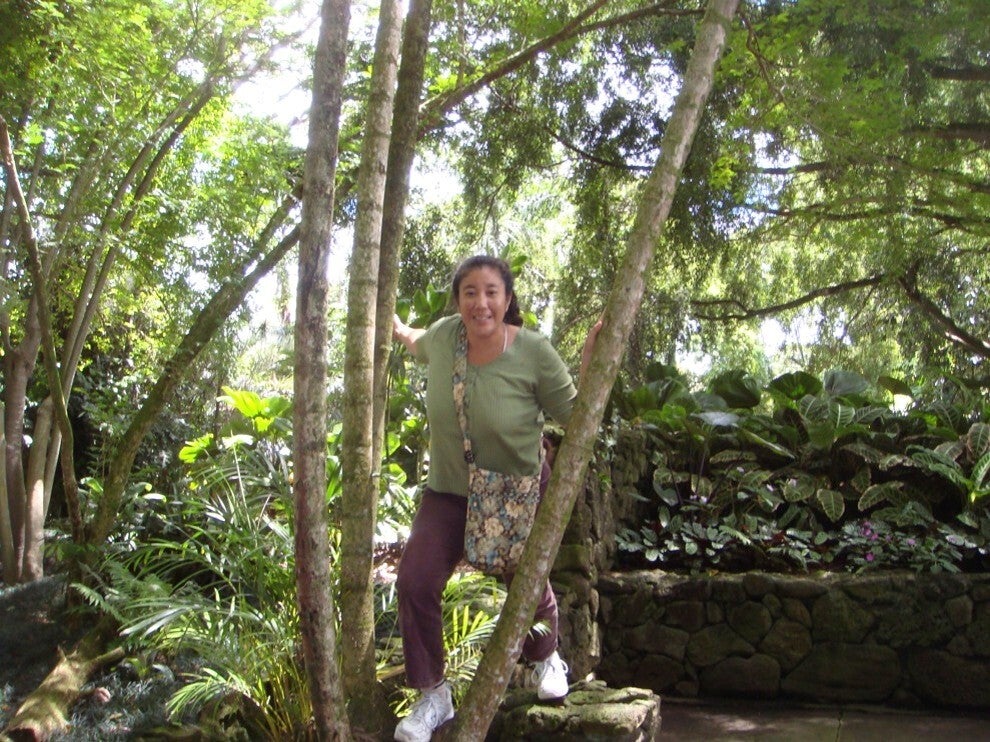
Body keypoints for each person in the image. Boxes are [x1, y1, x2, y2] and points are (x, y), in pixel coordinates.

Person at [391, 255, 600, 742]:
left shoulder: (534, 352)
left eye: (491, 292)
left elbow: (577, 415)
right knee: (415, 580)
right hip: (450, 490)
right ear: (458, 300)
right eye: (470, 292)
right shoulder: (445, 338)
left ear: (507, 301)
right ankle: (433, 695)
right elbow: (417, 341)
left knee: (524, 576)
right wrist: (396, 328)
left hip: (515, 490)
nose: (480, 302)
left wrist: (593, 357)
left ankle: (546, 657)